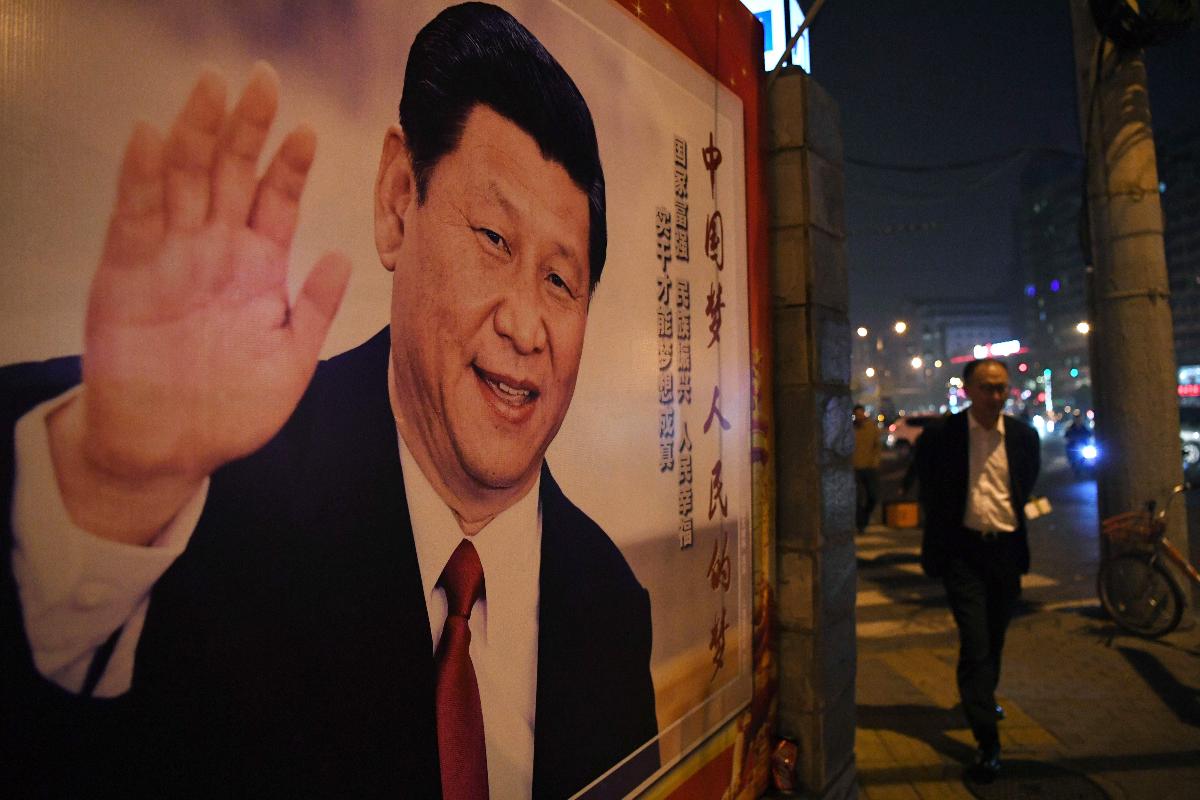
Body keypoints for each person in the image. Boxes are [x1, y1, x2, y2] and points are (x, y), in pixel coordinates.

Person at [0, 4, 657, 798]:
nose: (525, 325)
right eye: (492, 238)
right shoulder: (210, 495)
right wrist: (110, 485)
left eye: (560, 280)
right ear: (395, 201)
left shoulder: (611, 604)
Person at [912, 358, 1039, 784]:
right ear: (968, 390)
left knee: (996, 636)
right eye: (987, 388)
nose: (996, 396)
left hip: (1004, 550)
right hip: (963, 552)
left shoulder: (1022, 437)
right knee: (976, 641)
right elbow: (930, 491)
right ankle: (988, 741)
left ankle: (983, 696)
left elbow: (1025, 485)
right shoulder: (942, 437)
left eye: (1002, 388)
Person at [852, 404, 882, 533]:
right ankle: (861, 524)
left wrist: (875, 462)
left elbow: (877, 446)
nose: (859, 417)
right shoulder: (850, 429)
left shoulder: (871, 427)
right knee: (857, 498)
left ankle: (864, 517)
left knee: (873, 496)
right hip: (855, 468)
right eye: (857, 415)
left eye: (861, 414)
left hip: (869, 467)